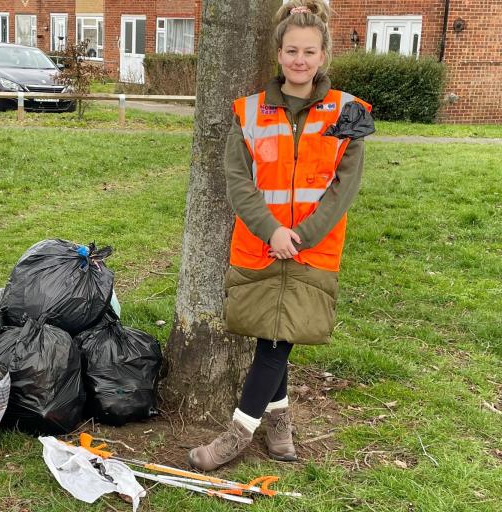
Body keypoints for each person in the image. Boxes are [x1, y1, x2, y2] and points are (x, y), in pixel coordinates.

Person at [188, 0, 375, 471]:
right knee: (272, 336)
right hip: (259, 246)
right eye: (292, 50)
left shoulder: (348, 112)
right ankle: (280, 423)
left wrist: (302, 235)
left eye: (309, 52)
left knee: (276, 344)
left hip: (313, 250)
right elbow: (237, 180)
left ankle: (236, 434)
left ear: (323, 55)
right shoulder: (249, 112)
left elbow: (343, 188)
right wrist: (272, 230)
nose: (300, 60)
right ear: (278, 53)